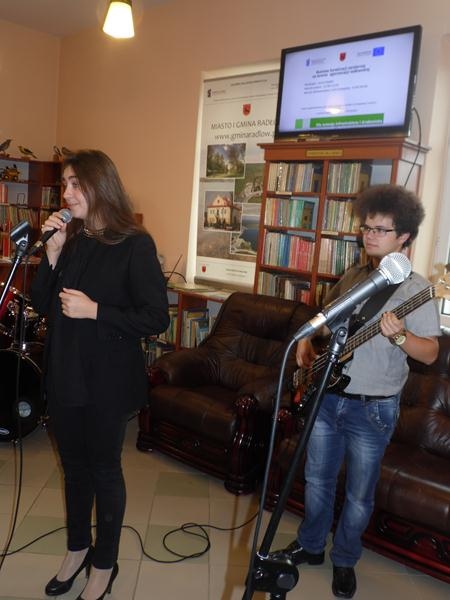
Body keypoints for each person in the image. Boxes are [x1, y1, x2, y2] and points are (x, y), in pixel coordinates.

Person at [272, 184, 441, 598]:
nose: (369, 236)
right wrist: (308, 340)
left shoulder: (417, 290)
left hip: (372, 409)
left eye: (380, 230)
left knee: (359, 495)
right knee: (317, 479)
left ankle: (345, 559)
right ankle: (312, 545)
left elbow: (431, 353)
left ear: (404, 236)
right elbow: (327, 319)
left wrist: (400, 337)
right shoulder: (355, 277)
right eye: (366, 228)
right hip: (328, 397)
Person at [31, 149, 169, 600]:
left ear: (100, 185)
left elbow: (156, 317)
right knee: (73, 470)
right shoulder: (71, 240)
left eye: (76, 184)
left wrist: (97, 311)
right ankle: (77, 550)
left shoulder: (135, 244)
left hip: (106, 381)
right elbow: (41, 304)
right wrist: (51, 255)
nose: (67, 193)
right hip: (65, 373)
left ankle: (104, 564)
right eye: (65, 184)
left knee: (104, 471)